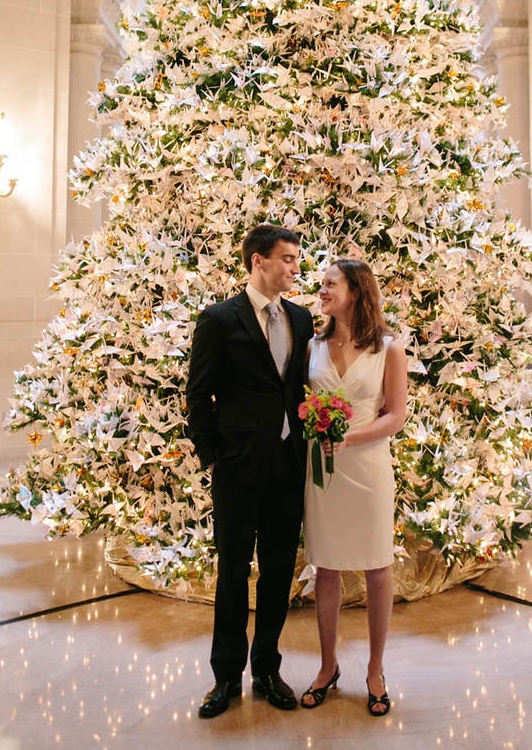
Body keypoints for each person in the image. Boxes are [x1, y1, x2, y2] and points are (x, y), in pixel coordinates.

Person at [186, 224, 314, 718]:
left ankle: (266, 669)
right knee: (233, 572)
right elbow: (199, 394)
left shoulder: (301, 319)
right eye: (286, 259)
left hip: (288, 464)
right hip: (237, 467)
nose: (295, 267)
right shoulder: (219, 319)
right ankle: (225, 678)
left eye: (296, 258)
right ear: (258, 261)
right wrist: (213, 454)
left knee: (279, 570)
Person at [300, 259, 408, 717]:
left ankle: (376, 669)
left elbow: (396, 414)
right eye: (321, 284)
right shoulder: (312, 345)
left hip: (367, 467)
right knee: (326, 566)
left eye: (330, 284)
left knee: (376, 566)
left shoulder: (389, 348)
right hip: (321, 471)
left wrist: (351, 436)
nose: (321, 290)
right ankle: (328, 666)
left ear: (357, 292)